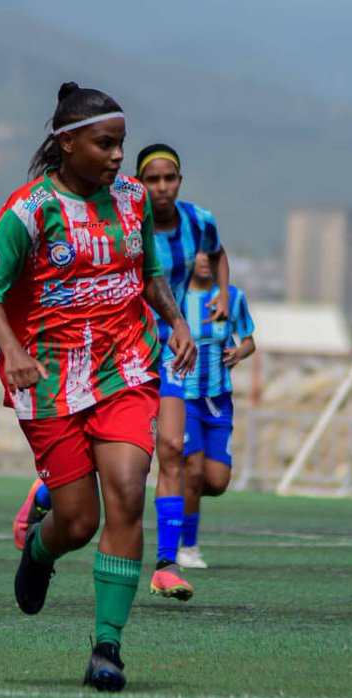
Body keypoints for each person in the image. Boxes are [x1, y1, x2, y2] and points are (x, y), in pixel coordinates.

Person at [0, 82, 196, 692]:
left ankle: (107, 648)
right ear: (67, 144)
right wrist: (12, 350)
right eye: (105, 144)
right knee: (77, 523)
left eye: (121, 144)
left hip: (125, 369)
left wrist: (175, 321)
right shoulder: (29, 210)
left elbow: (148, 272)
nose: (119, 157)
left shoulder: (131, 201)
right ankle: (40, 551)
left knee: (127, 489)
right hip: (47, 381)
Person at [136, 144, 231, 599]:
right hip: (120, 346)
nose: (161, 187)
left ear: (179, 179)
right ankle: (42, 496)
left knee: (171, 446)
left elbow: (218, 252)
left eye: (168, 178)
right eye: (152, 180)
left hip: (170, 347)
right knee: (113, 461)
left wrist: (224, 295)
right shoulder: (128, 220)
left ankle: (166, 564)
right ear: (140, 182)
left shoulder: (199, 220)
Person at [176, 252, 255, 568]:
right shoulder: (175, 296)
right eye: (199, 254)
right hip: (184, 399)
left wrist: (239, 352)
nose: (205, 260)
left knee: (217, 481)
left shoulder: (232, 298)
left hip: (219, 401)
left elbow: (249, 340)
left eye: (212, 255)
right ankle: (188, 547)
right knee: (192, 472)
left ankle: (175, 494)